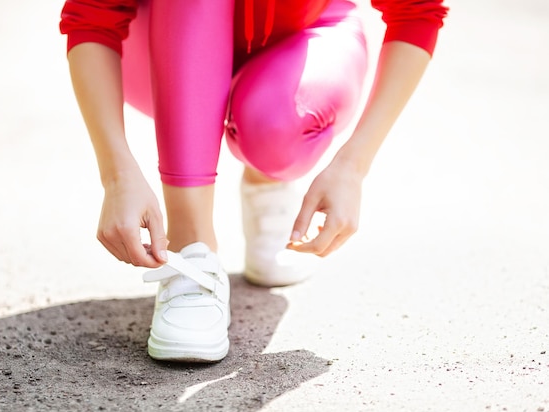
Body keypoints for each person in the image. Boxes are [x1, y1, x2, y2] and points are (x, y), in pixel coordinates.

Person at [59, 0, 448, 362]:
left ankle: (266, 182)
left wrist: (352, 167)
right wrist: (117, 175)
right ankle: (191, 246)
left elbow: (417, 11)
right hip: (159, 47)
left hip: (304, 35)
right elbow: (92, 15)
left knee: (274, 125)